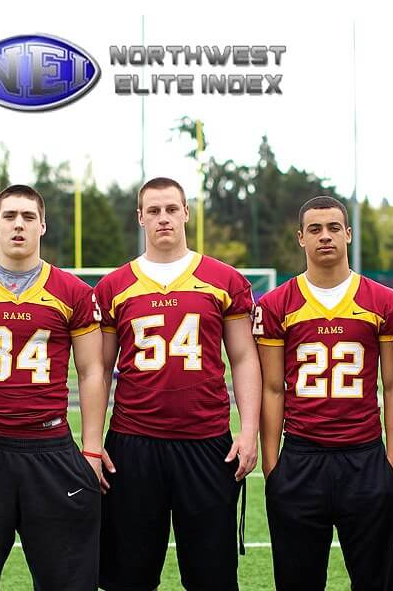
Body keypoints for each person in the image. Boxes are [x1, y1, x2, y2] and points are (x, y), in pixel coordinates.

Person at [0, 184, 107, 591]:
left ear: (42, 225)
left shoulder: (74, 292)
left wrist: (92, 450)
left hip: (51, 449)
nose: (18, 225)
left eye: (28, 217)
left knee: (68, 581)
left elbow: (92, 371)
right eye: (9, 216)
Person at [93, 176, 262, 591]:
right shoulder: (114, 286)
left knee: (212, 575)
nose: (163, 218)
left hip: (206, 443)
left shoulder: (225, 280)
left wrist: (249, 431)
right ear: (140, 218)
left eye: (171, 209)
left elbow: (243, 357)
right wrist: (93, 443)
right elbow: (97, 369)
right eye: (153, 210)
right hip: (133, 443)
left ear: (186, 212)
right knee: (129, 574)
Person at [254, 196, 393, 590]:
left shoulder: (385, 302)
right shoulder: (275, 304)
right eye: (316, 229)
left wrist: (391, 463)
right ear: (301, 238)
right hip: (301, 457)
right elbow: (272, 388)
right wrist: (273, 467)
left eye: (334, 228)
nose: (326, 237)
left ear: (348, 234)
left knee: (378, 581)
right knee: (297, 580)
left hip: (365, 456)